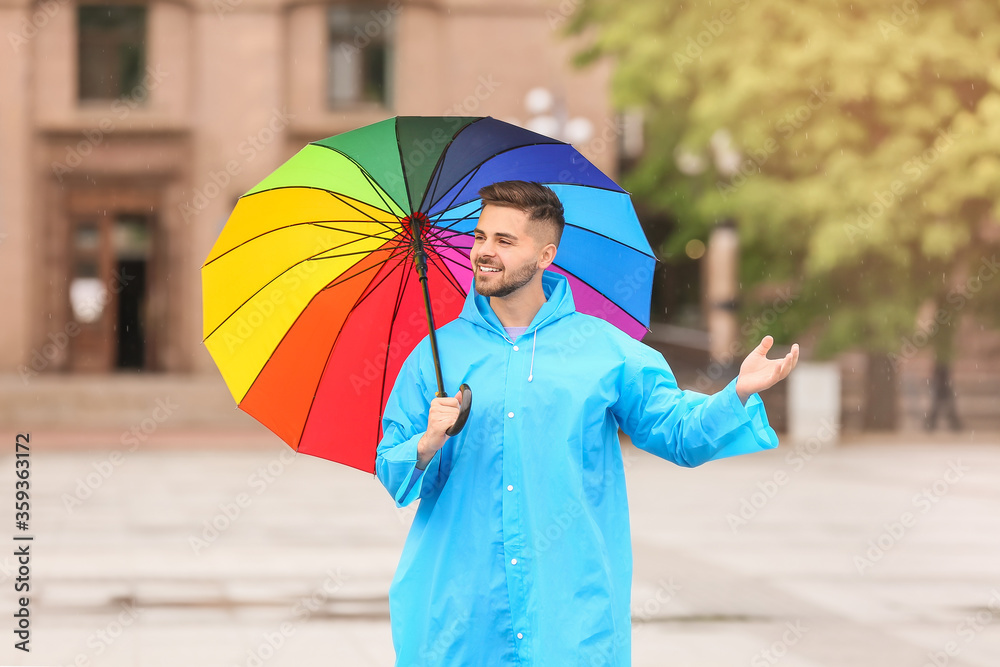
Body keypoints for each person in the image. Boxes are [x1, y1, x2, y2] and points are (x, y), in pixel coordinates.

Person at [375, 181, 798, 666]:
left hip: (569, 616)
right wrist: (427, 442)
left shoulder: (604, 350)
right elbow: (393, 472)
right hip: (457, 617)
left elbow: (679, 434)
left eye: (504, 241)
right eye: (480, 237)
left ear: (546, 255)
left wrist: (737, 392)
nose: (484, 253)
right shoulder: (436, 355)